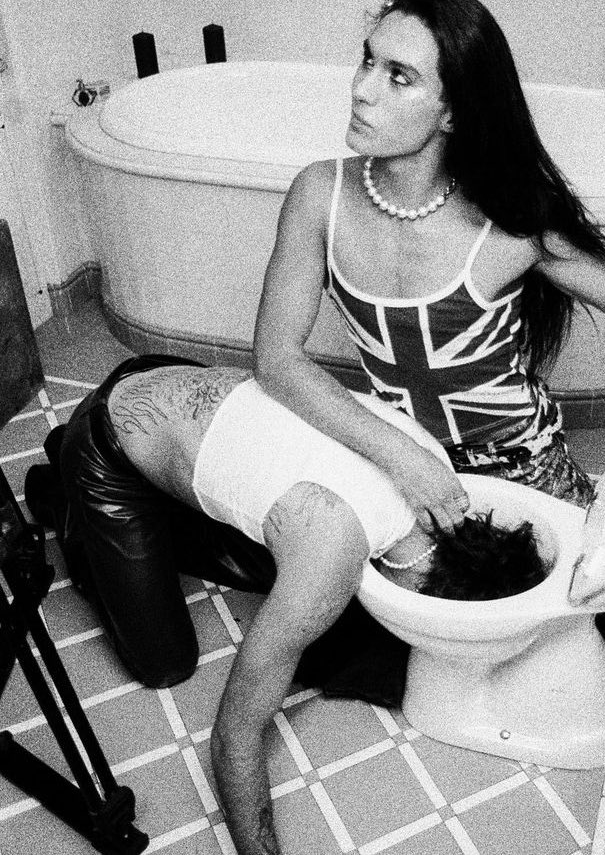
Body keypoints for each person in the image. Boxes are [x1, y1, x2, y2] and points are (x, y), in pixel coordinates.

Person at [251, 0, 605, 644]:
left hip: (520, 465)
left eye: (399, 76)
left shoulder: (512, 220)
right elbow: (277, 359)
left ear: (453, 113)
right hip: (400, 454)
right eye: (368, 60)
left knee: (589, 616)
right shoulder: (319, 194)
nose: (362, 89)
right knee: (388, 619)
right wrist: (402, 457)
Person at [25, 354, 550, 855]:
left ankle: (137, 475)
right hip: (113, 438)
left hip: (189, 390)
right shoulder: (330, 548)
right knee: (163, 662)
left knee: (271, 565)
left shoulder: (433, 476)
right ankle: (65, 496)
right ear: (422, 589)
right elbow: (234, 736)